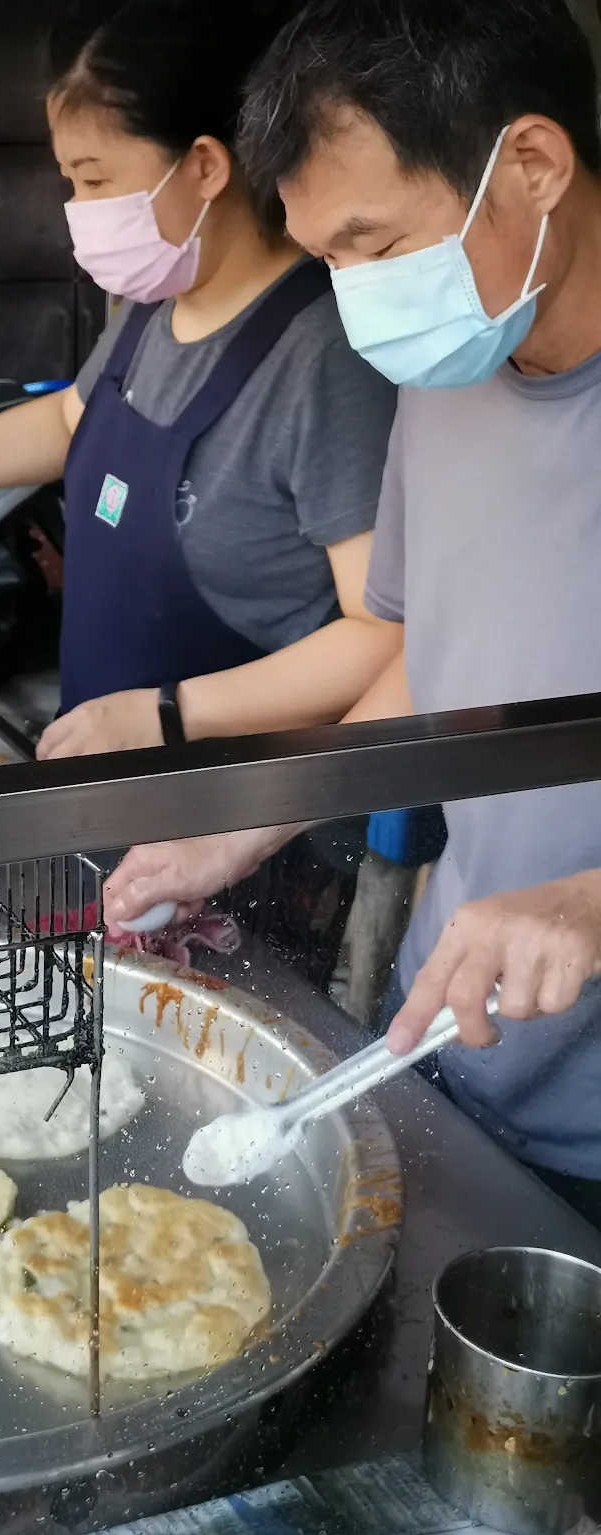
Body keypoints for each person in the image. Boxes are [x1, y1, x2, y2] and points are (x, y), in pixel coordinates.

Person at [106, 0, 601, 1218]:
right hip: (449, 1053)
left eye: (376, 244)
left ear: (530, 164)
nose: (358, 298)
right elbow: (434, 661)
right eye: (327, 256)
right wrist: (260, 812)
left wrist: (589, 899)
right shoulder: (457, 366)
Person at [0, 0, 401, 982]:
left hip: (244, 844)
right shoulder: (154, 310)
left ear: (203, 165)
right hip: (116, 799)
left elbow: (381, 635)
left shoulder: (322, 359)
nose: (78, 210)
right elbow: (71, 423)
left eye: (94, 179)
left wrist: (169, 714)